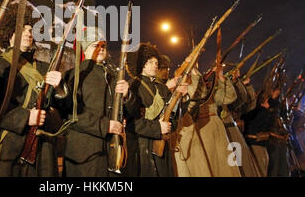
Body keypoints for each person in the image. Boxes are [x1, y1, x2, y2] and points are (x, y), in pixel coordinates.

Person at [0, 19, 67, 177]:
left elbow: (64, 110)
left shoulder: (45, 68)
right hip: (9, 146)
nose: (28, 33)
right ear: (9, 36)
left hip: (42, 151)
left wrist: (59, 88)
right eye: (22, 29)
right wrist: (25, 117)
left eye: (30, 30)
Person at [62, 26, 139, 177]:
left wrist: (127, 96)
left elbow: (132, 112)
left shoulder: (113, 76)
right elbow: (71, 115)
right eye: (95, 45)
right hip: (85, 154)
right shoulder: (74, 75)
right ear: (85, 48)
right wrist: (106, 125)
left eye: (103, 45)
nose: (101, 48)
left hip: (112, 151)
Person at [126, 43, 188, 177]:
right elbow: (132, 123)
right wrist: (157, 128)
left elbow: (174, 115)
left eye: (156, 62)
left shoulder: (161, 88)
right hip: (141, 148)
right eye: (150, 62)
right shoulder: (132, 87)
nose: (155, 65)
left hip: (160, 145)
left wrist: (182, 96)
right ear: (141, 64)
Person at [171, 65, 241, 177]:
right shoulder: (182, 92)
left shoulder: (208, 87)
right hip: (198, 129)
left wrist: (221, 77)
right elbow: (196, 96)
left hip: (214, 128)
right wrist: (194, 75)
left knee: (222, 164)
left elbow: (230, 97)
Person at [220, 69, 262, 176]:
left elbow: (245, 100)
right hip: (221, 136)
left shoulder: (228, 99)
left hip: (233, 134)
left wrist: (238, 83)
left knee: (243, 168)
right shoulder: (219, 97)